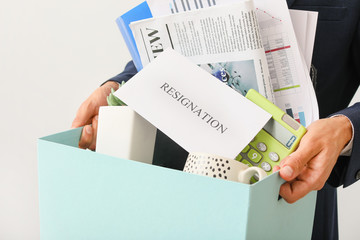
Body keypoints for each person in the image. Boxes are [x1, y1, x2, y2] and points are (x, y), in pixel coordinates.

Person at [72, 1, 360, 239]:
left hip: (293, 194)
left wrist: (345, 128)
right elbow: (167, 46)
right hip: (179, 190)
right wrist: (118, 87)